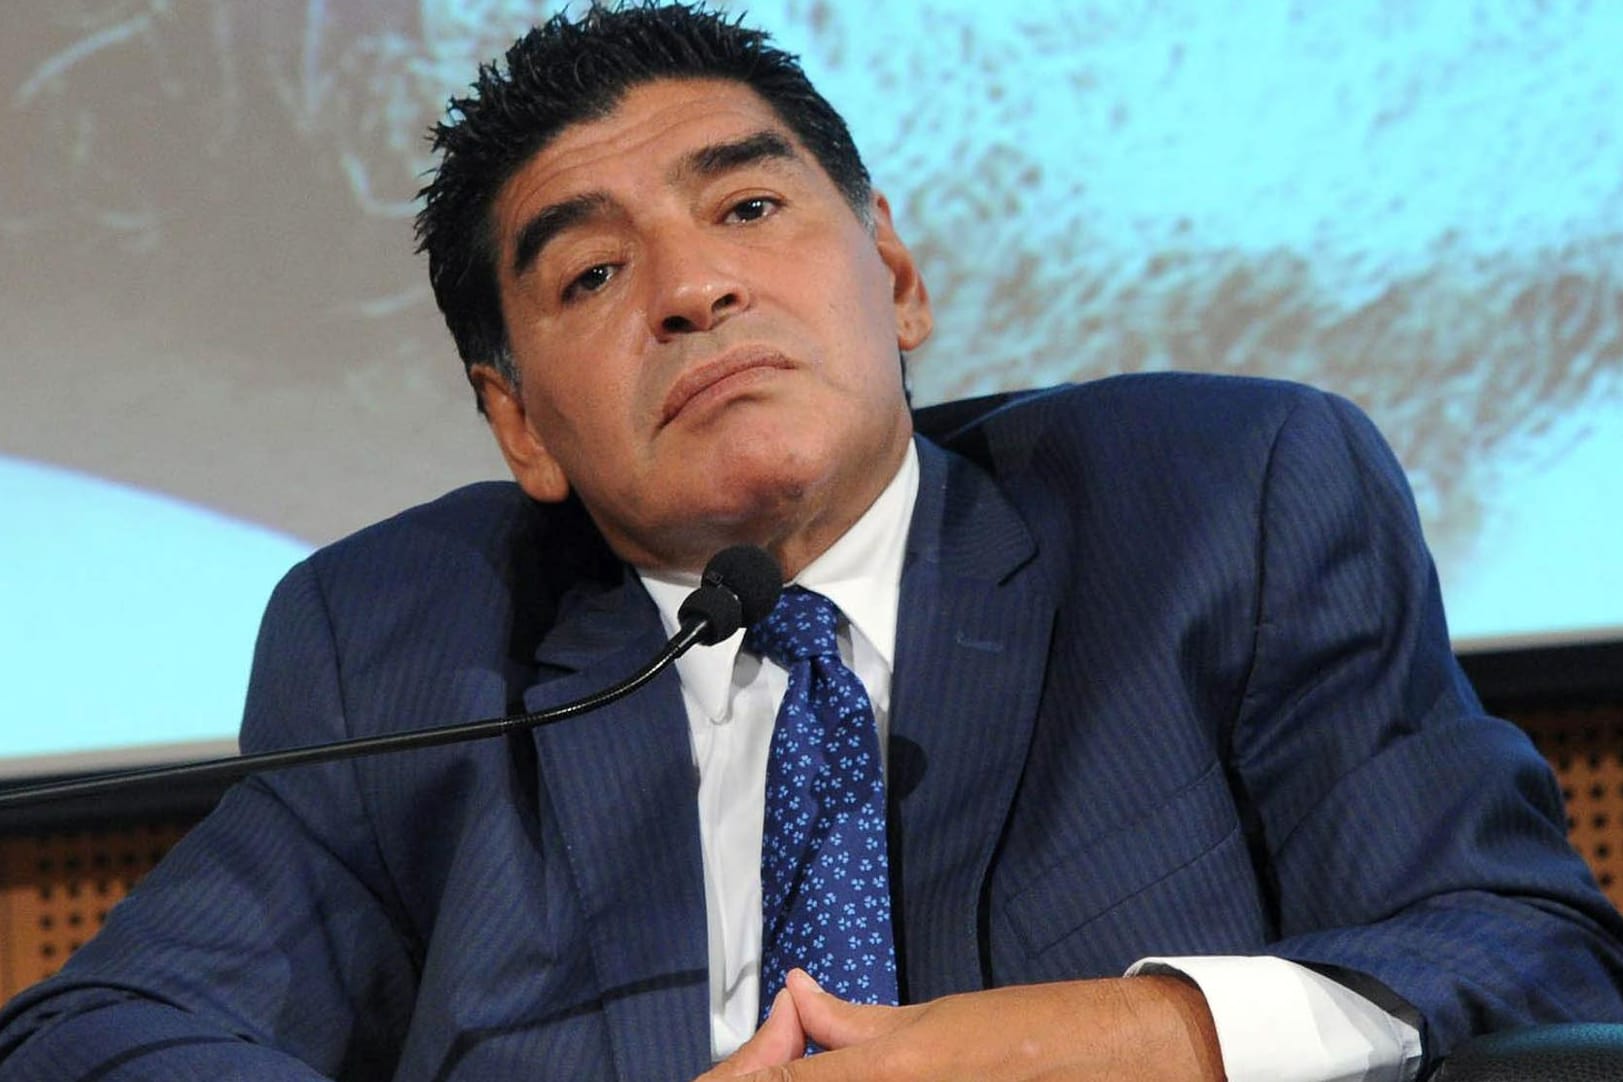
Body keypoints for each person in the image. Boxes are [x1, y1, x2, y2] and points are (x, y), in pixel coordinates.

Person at [3, 3, 1621, 1079]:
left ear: (894, 277)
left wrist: (1109, 1039)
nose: (693, 287)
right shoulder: (404, 645)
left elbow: (1530, 957)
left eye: (749, 208)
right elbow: (101, 1031)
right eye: (589, 274)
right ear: (519, 425)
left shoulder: (1219, 505)